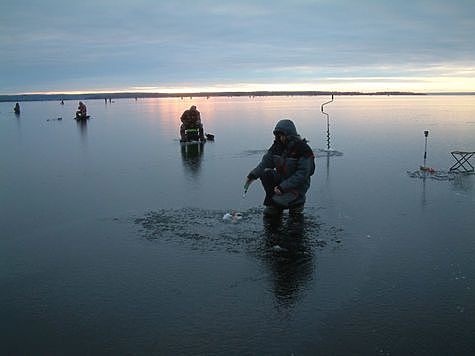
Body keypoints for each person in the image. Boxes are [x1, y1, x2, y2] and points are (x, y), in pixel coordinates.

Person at [244, 119, 315, 216]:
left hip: (297, 187)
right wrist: (252, 175)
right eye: (278, 135)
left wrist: (283, 187)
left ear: (289, 135)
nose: (279, 138)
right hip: (282, 181)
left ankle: (297, 203)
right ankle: (274, 203)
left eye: (282, 135)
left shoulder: (303, 149)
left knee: (284, 207)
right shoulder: (276, 147)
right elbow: (265, 163)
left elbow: (302, 174)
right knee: (266, 173)